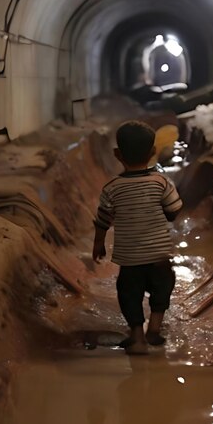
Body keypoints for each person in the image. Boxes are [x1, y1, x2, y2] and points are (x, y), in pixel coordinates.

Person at [92, 120, 183, 355]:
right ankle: (154, 328)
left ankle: (137, 336)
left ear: (117, 154)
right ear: (153, 152)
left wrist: (98, 243)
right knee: (162, 289)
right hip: (159, 256)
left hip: (130, 259)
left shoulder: (111, 188)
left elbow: (103, 219)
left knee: (129, 294)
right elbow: (174, 210)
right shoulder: (162, 182)